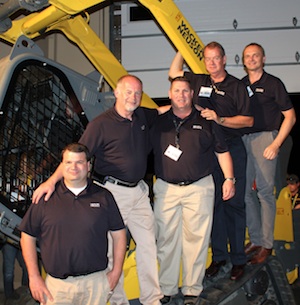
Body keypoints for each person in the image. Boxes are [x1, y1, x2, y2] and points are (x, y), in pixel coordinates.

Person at [32, 75, 164, 305]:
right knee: (113, 251)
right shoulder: (100, 125)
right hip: (113, 194)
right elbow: (76, 158)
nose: (133, 97)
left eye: (137, 93)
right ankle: (118, 300)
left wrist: (186, 103)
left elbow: (163, 111)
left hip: (139, 192)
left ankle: (152, 298)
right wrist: (51, 182)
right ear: (117, 93)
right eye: (129, 92)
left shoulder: (142, 115)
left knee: (148, 244)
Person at [169, 42, 253, 281]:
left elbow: (247, 121)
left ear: (224, 59)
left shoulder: (237, 86)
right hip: (207, 151)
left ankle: (238, 260)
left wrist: (221, 119)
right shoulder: (199, 81)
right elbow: (173, 73)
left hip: (232, 149)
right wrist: (181, 47)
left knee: (234, 204)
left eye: (216, 58)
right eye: (208, 59)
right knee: (213, 205)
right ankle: (219, 258)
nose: (212, 63)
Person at [151, 76, 235, 305]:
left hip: (199, 188)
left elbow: (222, 151)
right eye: (176, 91)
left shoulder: (207, 120)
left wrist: (229, 179)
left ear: (192, 94)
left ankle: (191, 290)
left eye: (185, 91)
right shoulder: (158, 120)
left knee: (195, 241)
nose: (181, 95)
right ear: (170, 94)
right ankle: (167, 288)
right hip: (166, 189)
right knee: (166, 240)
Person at [19, 143, 126, 305]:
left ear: (88, 166)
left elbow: (119, 234)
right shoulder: (45, 198)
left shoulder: (104, 197)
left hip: (95, 285)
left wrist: (116, 271)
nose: (73, 167)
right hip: (57, 288)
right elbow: (27, 237)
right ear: (61, 166)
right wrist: (34, 277)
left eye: (79, 162)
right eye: (68, 162)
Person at [241, 43, 296, 264]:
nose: (252, 59)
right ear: (243, 61)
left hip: (265, 139)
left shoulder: (273, 83)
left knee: (264, 193)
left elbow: (290, 116)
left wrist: (276, 144)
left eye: (256, 55)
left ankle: (267, 245)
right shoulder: (241, 85)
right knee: (245, 193)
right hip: (243, 140)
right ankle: (255, 239)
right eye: (248, 56)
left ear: (263, 58)